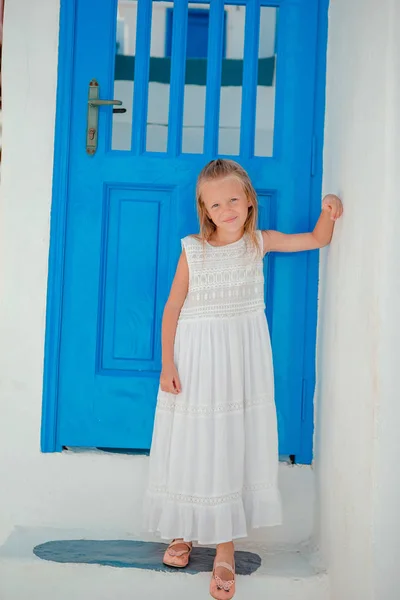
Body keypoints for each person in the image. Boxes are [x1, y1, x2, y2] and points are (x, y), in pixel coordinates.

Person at [144, 158, 343, 599]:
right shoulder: (193, 249)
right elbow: (173, 307)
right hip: (195, 361)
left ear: (249, 200)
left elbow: (314, 239)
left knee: (228, 441)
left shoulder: (259, 243)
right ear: (205, 209)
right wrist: (168, 365)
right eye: (216, 204)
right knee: (193, 441)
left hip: (240, 363)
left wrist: (328, 211)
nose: (226, 209)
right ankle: (182, 530)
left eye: (233, 199)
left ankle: (226, 546)